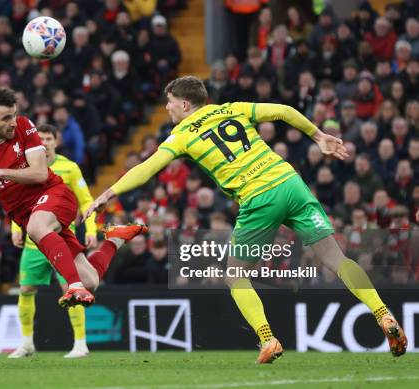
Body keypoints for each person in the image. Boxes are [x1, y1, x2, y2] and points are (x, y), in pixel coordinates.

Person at [85, 76, 407, 363]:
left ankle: (268, 339)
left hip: (258, 198)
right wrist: (317, 135)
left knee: (236, 275)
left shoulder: (181, 134)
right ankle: (383, 315)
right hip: (289, 182)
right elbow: (282, 110)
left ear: (184, 103)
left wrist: (107, 194)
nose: (167, 108)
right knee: (336, 259)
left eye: (169, 102)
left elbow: (147, 168)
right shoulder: (231, 108)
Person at [0, 87, 146, 313]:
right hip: (26, 215)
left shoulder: (24, 126)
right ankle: (115, 240)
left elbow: (40, 173)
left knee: (38, 228)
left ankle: (72, 286)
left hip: (54, 195)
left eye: (14, 114)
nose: (12, 122)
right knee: (90, 281)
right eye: (5, 118)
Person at [9, 124, 97, 359]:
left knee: (71, 288)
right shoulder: (26, 168)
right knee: (25, 289)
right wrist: (14, 227)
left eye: (49, 138)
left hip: (61, 241)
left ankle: (80, 344)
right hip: (32, 245)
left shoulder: (69, 168)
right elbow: (19, 201)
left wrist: (91, 229)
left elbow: (86, 201)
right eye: (41, 138)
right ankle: (26, 344)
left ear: (56, 142)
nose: (45, 142)